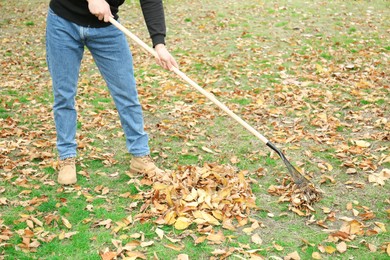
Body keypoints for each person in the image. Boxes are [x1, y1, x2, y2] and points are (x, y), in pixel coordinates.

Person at [46, 0, 178, 185]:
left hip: (107, 27)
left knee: (127, 93)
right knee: (64, 95)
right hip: (63, 22)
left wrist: (159, 44)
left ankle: (140, 156)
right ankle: (66, 157)